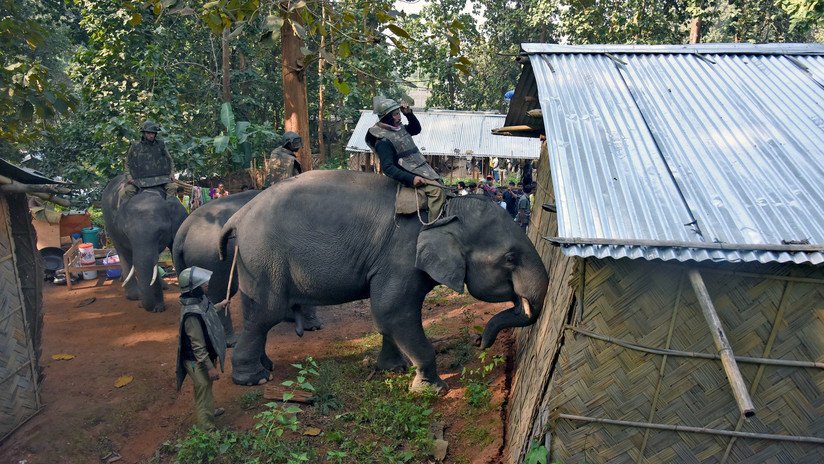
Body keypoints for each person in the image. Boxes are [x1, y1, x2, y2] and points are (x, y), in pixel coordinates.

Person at [365, 97, 445, 220]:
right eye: (396, 114)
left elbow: (415, 129)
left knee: (441, 185)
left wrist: (409, 115)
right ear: (386, 117)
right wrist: (411, 179)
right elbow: (388, 168)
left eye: (399, 113)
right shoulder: (383, 141)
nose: (399, 117)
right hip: (408, 174)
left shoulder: (399, 129)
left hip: (421, 170)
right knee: (436, 192)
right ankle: (434, 228)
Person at [176, 266, 226, 430]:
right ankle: (207, 428)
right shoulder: (191, 314)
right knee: (203, 388)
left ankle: (209, 411)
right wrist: (210, 368)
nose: (207, 285)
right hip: (195, 360)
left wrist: (220, 305)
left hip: (204, 357)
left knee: (206, 387)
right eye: (203, 284)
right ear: (195, 288)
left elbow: (208, 311)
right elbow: (197, 346)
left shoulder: (199, 300)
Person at [124, 121, 177, 201]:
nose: (151, 135)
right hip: (139, 180)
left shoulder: (161, 145)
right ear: (144, 133)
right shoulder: (135, 146)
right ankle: (125, 212)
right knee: (129, 191)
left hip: (161, 179)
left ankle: (170, 208)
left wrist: (172, 174)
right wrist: (129, 177)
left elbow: (170, 160)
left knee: (173, 187)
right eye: (148, 133)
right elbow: (127, 163)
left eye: (153, 133)